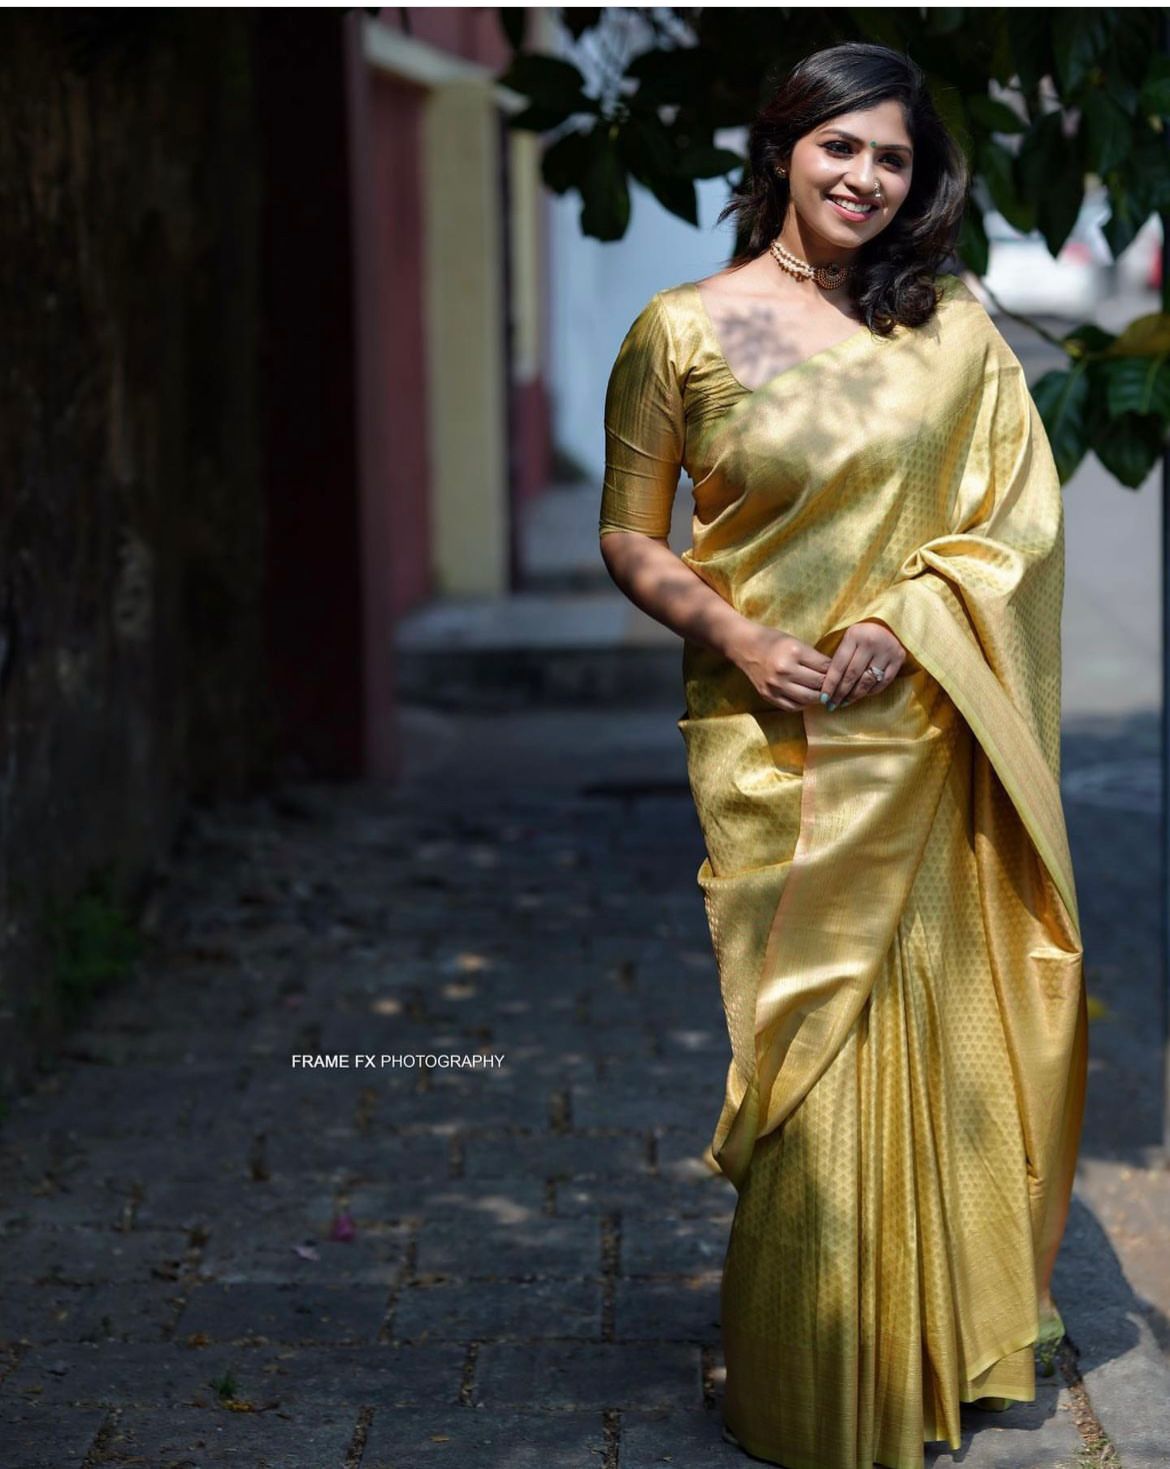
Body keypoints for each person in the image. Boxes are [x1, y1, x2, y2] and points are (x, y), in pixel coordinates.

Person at [598, 40, 1088, 1469]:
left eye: (893, 157)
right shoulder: (697, 329)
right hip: (774, 745)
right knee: (802, 1058)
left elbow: (1016, 516)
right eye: (841, 148)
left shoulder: (944, 323)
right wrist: (741, 638)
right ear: (781, 150)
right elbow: (632, 530)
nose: (867, 178)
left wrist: (917, 611)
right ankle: (813, 1381)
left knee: (940, 1047)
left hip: (930, 728)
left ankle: (940, 1337)